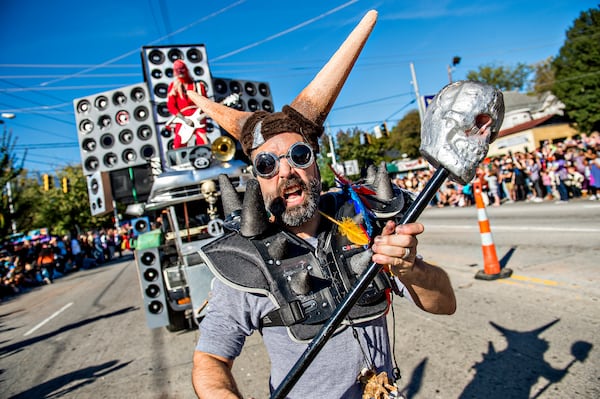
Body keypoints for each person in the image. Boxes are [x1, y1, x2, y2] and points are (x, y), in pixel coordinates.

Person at [188, 11, 459, 399]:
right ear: (257, 180)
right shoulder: (246, 258)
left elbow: (444, 303)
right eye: (267, 164)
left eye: (298, 155)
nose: (286, 172)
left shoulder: (367, 225)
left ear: (316, 163)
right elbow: (210, 361)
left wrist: (411, 268)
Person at [166, 59, 209, 149]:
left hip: (199, 117)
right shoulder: (174, 87)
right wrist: (184, 119)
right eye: (177, 70)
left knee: (202, 142)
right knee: (178, 144)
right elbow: (171, 106)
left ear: (186, 69)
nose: (180, 71)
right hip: (182, 119)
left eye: (182, 69)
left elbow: (206, 103)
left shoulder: (198, 85)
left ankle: (203, 160)